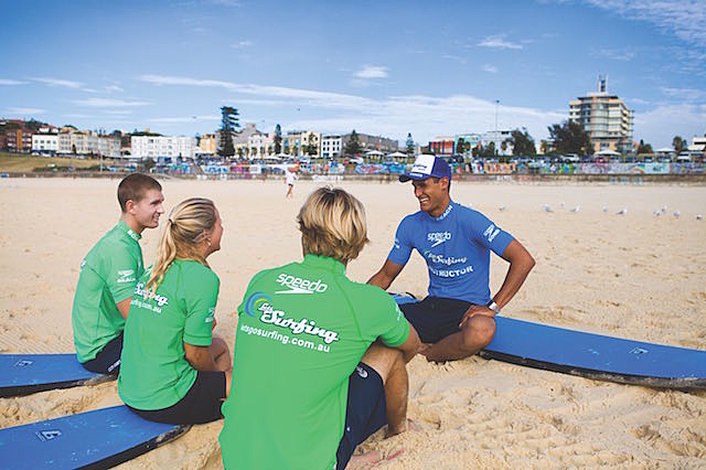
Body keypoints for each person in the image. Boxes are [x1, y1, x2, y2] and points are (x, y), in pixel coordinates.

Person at [220, 187, 421, 469]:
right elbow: (412, 345)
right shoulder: (368, 302)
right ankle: (398, 429)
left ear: (304, 230)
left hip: (237, 456)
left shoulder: (263, 281)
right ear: (357, 242)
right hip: (307, 464)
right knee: (390, 352)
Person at [368, 155, 535, 363]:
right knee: (371, 317)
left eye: (423, 185)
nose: (417, 193)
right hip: (431, 307)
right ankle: (426, 347)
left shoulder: (471, 220)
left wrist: (493, 307)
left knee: (482, 330)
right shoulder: (410, 225)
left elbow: (523, 260)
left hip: (467, 312)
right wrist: (357, 304)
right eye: (414, 187)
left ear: (443, 183)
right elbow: (385, 275)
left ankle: (427, 354)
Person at [118, 197, 232, 424]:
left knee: (219, 346)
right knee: (248, 384)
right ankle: (217, 401)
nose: (223, 228)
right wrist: (215, 379)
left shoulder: (156, 268)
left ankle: (214, 393)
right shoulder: (203, 279)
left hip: (130, 390)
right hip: (165, 401)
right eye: (220, 223)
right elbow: (194, 353)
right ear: (205, 236)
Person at [72, 173, 164, 375]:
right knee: (183, 347)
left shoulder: (126, 240)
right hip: (101, 352)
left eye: (161, 202)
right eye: (155, 203)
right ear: (131, 206)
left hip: (116, 335)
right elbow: (133, 315)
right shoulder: (118, 248)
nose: (161, 210)